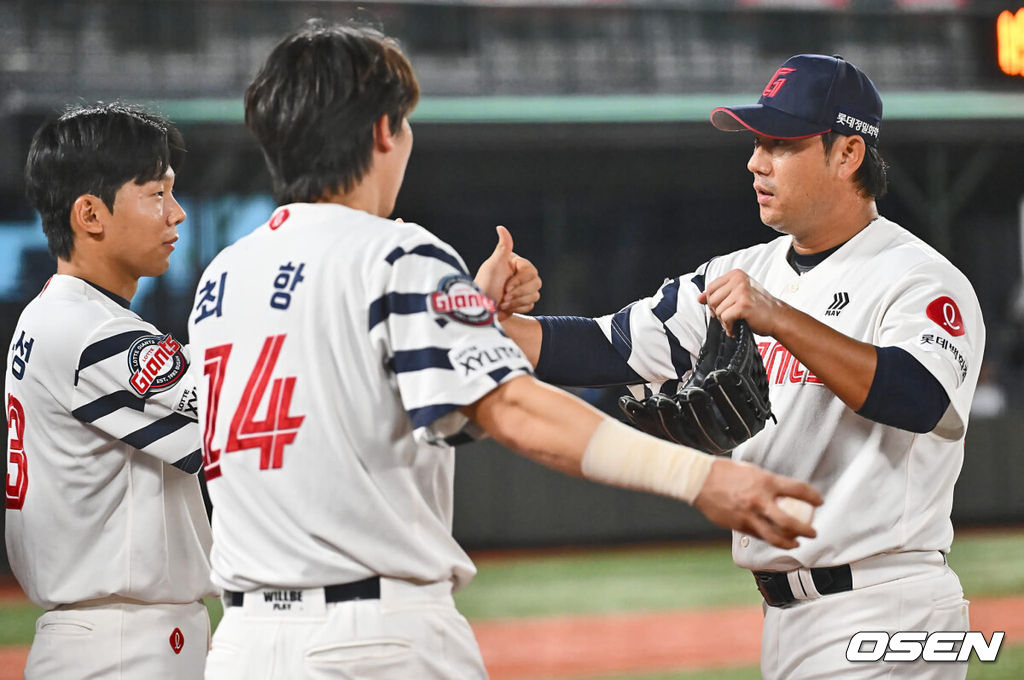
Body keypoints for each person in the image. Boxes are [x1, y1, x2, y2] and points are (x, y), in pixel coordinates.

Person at [188, 20, 822, 680]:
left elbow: (350, 403)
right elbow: (512, 410)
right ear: (383, 130)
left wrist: (474, 317)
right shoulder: (396, 255)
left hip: (243, 644)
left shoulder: (225, 278)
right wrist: (701, 477)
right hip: (369, 644)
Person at [500, 54, 985, 678]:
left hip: (886, 607)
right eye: (757, 143)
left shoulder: (917, 278)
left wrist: (780, 318)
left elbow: (918, 398)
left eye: (781, 144)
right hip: (785, 616)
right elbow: (602, 347)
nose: (756, 162)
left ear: (847, 154)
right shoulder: (739, 272)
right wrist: (493, 320)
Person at [5, 103, 215, 678]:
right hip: (123, 645)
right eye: (156, 194)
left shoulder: (62, 316)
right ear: (90, 214)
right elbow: (236, 411)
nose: (177, 214)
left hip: (112, 637)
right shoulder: (88, 329)